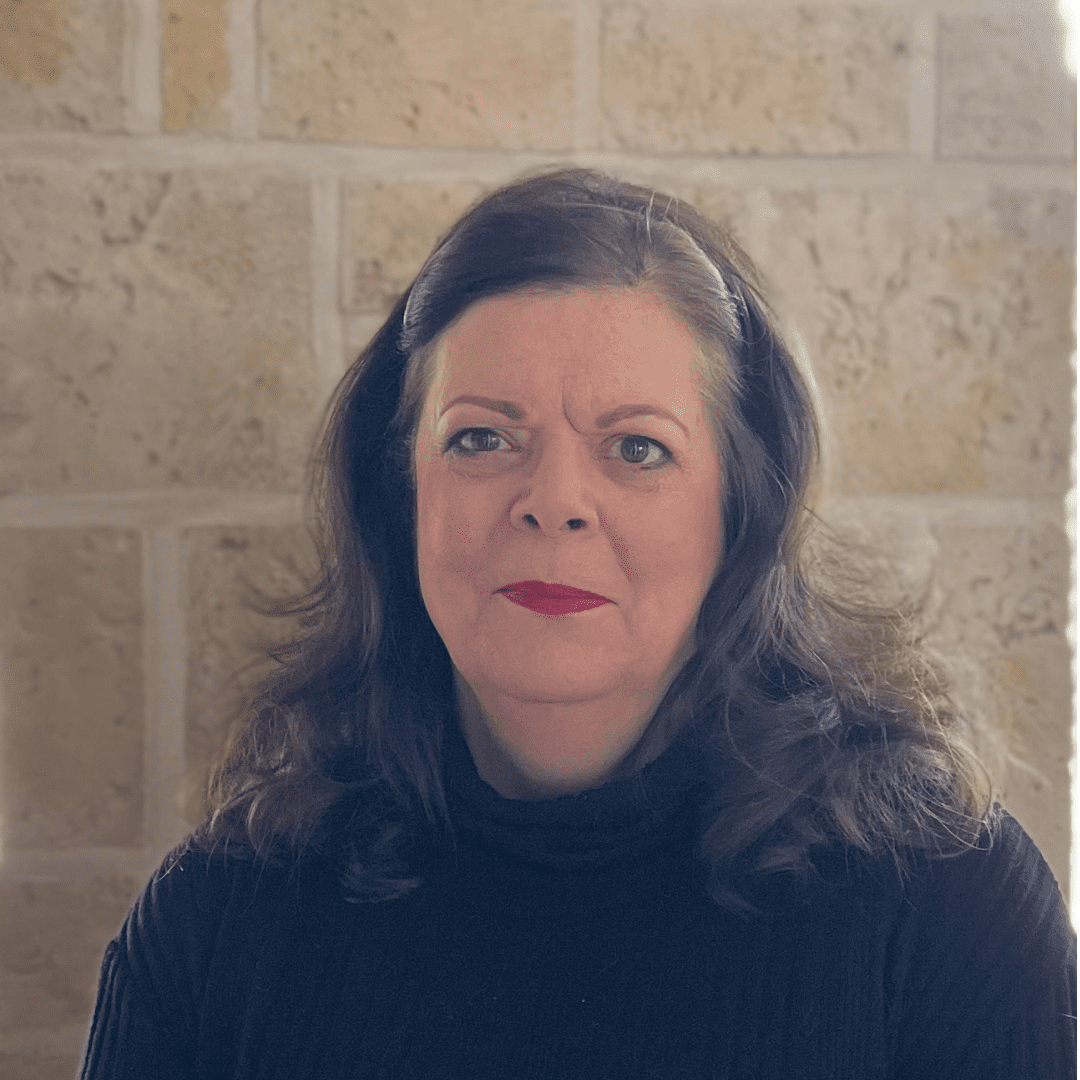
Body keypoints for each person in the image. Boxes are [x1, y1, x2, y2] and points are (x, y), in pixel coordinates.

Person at [79, 168, 1075, 1078]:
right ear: (401, 495)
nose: (554, 499)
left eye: (636, 448)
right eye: (482, 438)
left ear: (740, 510)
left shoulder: (952, 912)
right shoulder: (213, 927)